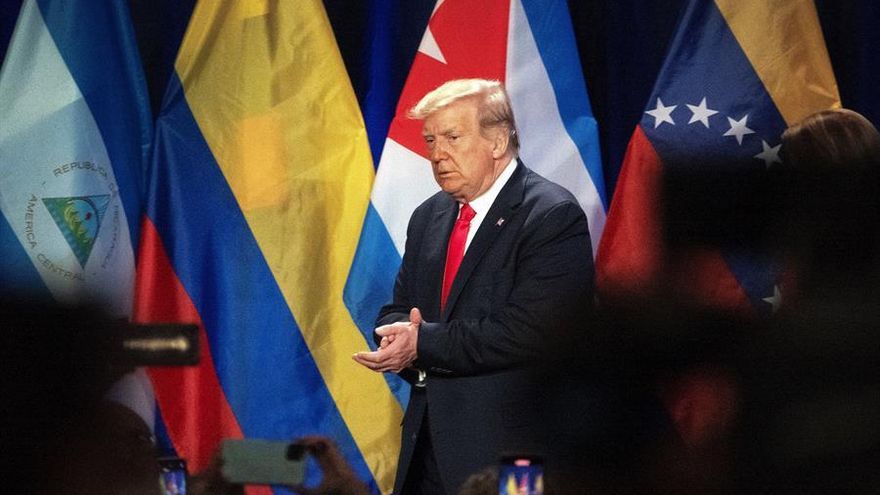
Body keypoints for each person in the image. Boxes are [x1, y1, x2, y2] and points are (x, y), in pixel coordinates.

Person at [352, 79, 594, 494]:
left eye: (452, 137)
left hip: (516, 453)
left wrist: (421, 342)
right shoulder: (429, 216)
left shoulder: (551, 214)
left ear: (498, 141)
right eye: (430, 140)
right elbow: (401, 307)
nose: (436, 154)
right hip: (428, 449)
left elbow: (535, 331)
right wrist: (395, 335)